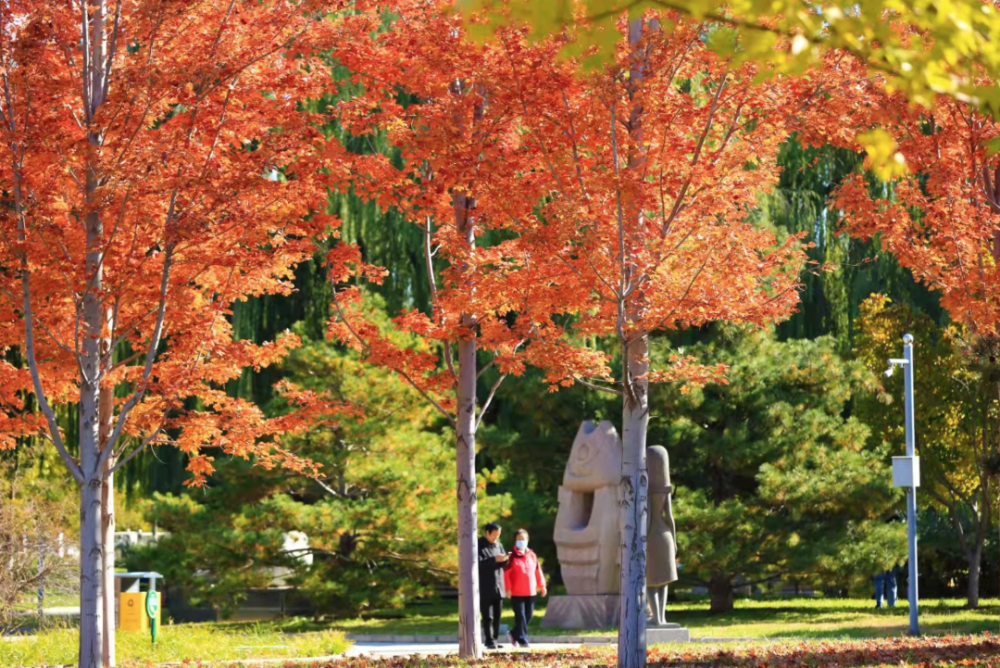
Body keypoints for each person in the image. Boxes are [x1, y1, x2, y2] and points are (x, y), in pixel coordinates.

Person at [503, 528, 546, 648]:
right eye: (519, 539)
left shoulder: (532, 555)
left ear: (528, 540)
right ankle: (522, 639)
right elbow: (506, 574)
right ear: (515, 541)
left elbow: (538, 571)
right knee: (520, 616)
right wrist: (508, 589)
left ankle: (513, 633)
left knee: (529, 615)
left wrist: (542, 586)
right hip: (516, 592)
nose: (521, 541)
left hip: (530, 591)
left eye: (523, 539)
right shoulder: (511, 555)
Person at [477, 522, 509, 649]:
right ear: (487, 533)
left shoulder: (499, 545)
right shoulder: (478, 545)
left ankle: (494, 639)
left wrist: (505, 559)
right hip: (485, 585)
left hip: (499, 585)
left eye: (499, 535)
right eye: (495, 534)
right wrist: (494, 560)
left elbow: (501, 564)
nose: (497, 537)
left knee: (497, 616)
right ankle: (489, 640)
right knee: (487, 616)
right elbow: (478, 564)